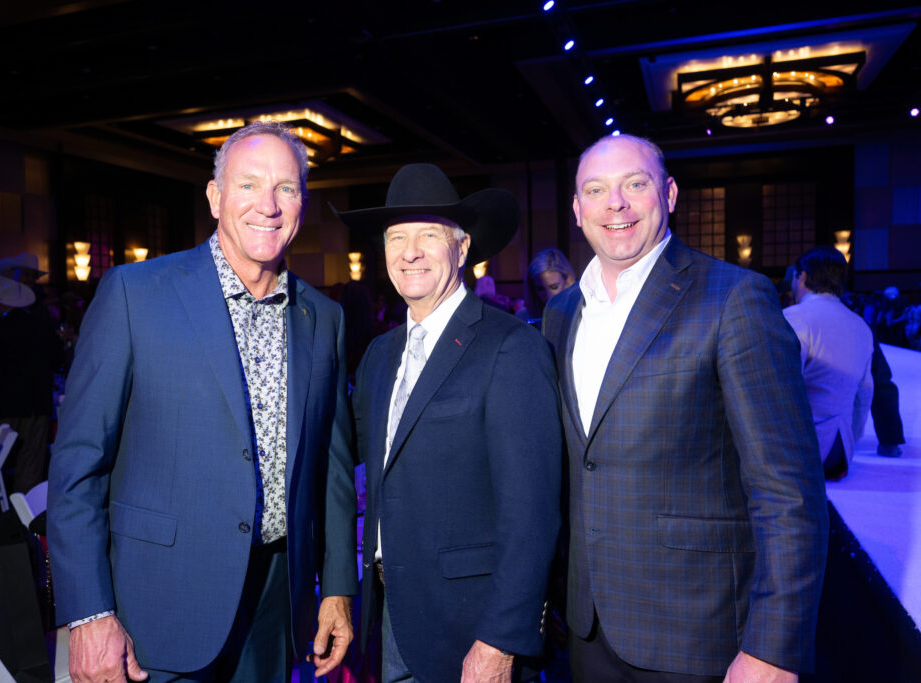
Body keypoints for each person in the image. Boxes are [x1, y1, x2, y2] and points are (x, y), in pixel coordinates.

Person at [48, 121, 358, 683]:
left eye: (285, 189)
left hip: (276, 600)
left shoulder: (323, 318)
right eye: (248, 185)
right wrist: (88, 614)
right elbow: (77, 468)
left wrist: (336, 587)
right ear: (215, 197)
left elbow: (332, 471)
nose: (267, 205)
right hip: (158, 606)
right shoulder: (134, 295)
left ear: (302, 205)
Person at [542, 134, 828, 682]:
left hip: (699, 631)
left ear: (669, 194)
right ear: (577, 211)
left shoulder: (733, 297)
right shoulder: (560, 314)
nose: (615, 203)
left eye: (635, 184)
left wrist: (774, 648)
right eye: (596, 190)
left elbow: (788, 489)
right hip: (587, 626)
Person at [336, 163, 562, 682]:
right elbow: (345, 453)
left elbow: (532, 513)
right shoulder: (379, 355)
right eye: (397, 237)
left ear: (461, 250)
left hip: (469, 632)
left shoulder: (511, 347)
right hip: (389, 619)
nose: (409, 251)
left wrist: (501, 641)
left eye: (428, 236)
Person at [784, 247, 874, 480]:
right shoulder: (861, 326)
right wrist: (851, 440)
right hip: (840, 450)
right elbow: (864, 395)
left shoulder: (795, 317)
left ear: (802, 276)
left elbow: (779, 389)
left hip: (801, 453)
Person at [0, 275, 59, 492]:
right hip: (37, 405)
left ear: (0, 303)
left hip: (3, 407)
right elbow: (58, 359)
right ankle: (24, 520)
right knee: (31, 468)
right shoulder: (42, 326)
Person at [519, 248, 576, 322]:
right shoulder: (523, 317)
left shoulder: (579, 313)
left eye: (554, 287)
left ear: (567, 281)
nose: (548, 296)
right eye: (540, 289)